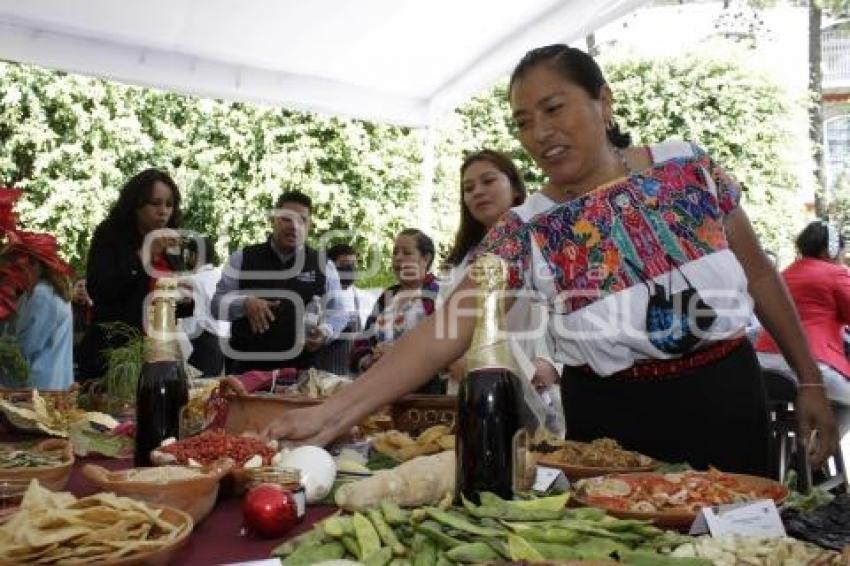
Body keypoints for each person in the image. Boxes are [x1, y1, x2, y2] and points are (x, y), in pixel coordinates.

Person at [262, 45, 837, 475]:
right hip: (612, 425)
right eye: (523, 122)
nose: (540, 133)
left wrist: (810, 380)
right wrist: (333, 414)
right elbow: (449, 325)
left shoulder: (685, 168)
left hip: (726, 398)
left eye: (554, 108)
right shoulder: (527, 228)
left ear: (603, 102)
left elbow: (760, 272)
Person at [443, 149, 564, 434]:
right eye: (468, 188)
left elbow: (570, 311)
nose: (477, 192)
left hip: (538, 384)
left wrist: (553, 365)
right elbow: (443, 323)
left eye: (488, 181)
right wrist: (454, 360)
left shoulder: (547, 245)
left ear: (515, 188)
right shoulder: (460, 263)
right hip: (472, 386)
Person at [211, 191, 348, 373]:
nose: (294, 226)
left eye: (302, 220)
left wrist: (325, 331)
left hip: (301, 375)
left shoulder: (324, 266)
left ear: (309, 226)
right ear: (272, 221)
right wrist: (244, 303)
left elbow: (338, 312)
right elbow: (216, 305)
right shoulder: (242, 258)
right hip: (246, 373)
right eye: (286, 219)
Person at [77, 168, 190, 380]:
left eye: (169, 204)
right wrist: (144, 255)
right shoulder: (110, 235)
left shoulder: (172, 244)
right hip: (114, 355)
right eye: (155, 203)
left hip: (161, 356)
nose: (163, 211)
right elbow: (100, 288)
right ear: (136, 204)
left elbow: (177, 310)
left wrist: (186, 297)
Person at [756, 220, 850, 472]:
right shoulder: (835, 272)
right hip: (808, 365)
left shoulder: (784, 273)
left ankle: (799, 458)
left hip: (764, 364)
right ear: (830, 250)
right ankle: (810, 458)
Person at [350, 229, 444, 394]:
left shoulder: (440, 293)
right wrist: (368, 360)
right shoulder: (387, 296)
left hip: (425, 393)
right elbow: (363, 341)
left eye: (407, 252)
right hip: (381, 392)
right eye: (395, 253)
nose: (398, 258)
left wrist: (399, 354)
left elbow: (447, 344)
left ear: (426, 258)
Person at [0, 187, 74, 390]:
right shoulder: (45, 292)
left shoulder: (43, 295)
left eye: (16, 266)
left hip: (40, 389)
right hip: (50, 386)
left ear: (33, 265)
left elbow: (25, 348)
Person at [312, 243, 374, 376]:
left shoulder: (364, 298)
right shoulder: (322, 297)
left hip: (352, 376)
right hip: (322, 373)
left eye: (353, 264)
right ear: (332, 267)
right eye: (345, 264)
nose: (350, 269)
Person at [179, 236, 230, 377]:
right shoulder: (222, 277)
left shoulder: (191, 281)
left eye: (187, 253)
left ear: (194, 255)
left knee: (196, 394)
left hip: (201, 346)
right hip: (222, 347)